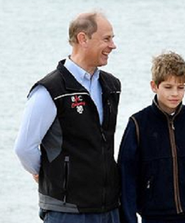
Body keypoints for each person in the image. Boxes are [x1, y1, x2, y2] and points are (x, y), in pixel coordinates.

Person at [14, 11, 121, 223]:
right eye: (107, 38)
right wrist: (47, 175)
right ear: (83, 39)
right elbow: (24, 148)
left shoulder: (112, 86)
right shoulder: (50, 90)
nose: (113, 46)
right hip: (66, 212)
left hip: (108, 208)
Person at [117, 51, 185, 223]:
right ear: (154, 86)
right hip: (152, 215)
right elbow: (127, 176)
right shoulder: (138, 123)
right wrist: (129, 219)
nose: (175, 93)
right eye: (168, 87)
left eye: (180, 87)